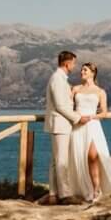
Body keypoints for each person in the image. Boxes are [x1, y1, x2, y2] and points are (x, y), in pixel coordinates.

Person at [41, 50, 92, 205]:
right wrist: (78, 118)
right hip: (60, 125)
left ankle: (53, 194)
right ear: (67, 63)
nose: (75, 66)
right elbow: (61, 105)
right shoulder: (57, 79)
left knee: (56, 161)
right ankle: (65, 195)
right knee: (61, 160)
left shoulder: (61, 79)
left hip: (61, 124)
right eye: (74, 63)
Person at [68, 62, 111, 200]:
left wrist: (92, 117)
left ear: (93, 73)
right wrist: (77, 117)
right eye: (81, 70)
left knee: (93, 156)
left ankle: (96, 189)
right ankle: (82, 188)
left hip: (93, 125)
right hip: (78, 125)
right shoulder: (75, 89)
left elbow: (104, 113)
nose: (82, 72)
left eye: (85, 70)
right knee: (79, 156)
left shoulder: (100, 92)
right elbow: (68, 107)